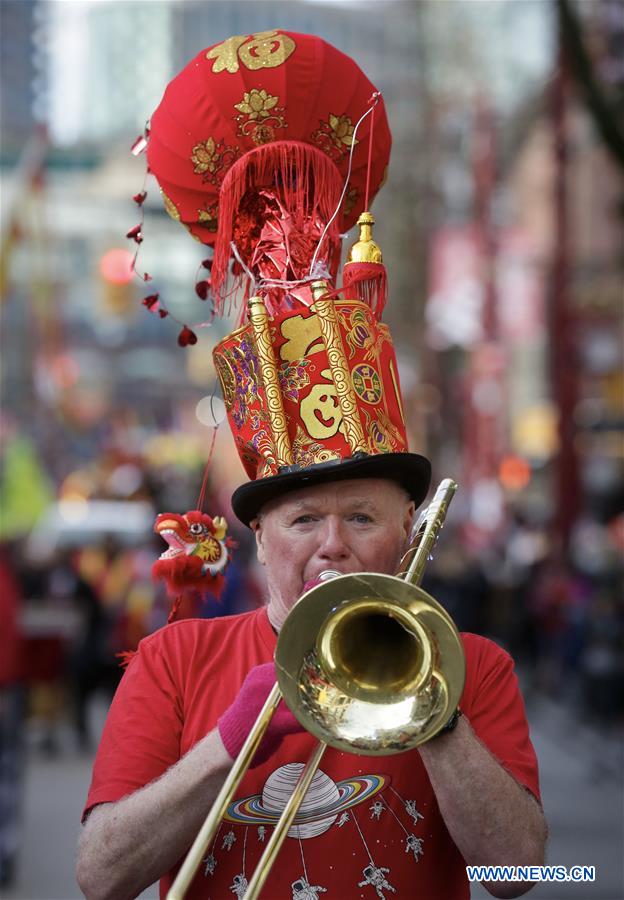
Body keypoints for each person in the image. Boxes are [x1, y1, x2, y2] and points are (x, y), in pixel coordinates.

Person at [77, 31, 546, 900]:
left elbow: (526, 875)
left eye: (363, 516)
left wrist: (429, 708)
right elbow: (97, 878)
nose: (332, 545)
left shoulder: (475, 665)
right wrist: (228, 741)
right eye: (303, 520)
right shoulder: (175, 661)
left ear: (409, 533)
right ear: (258, 537)